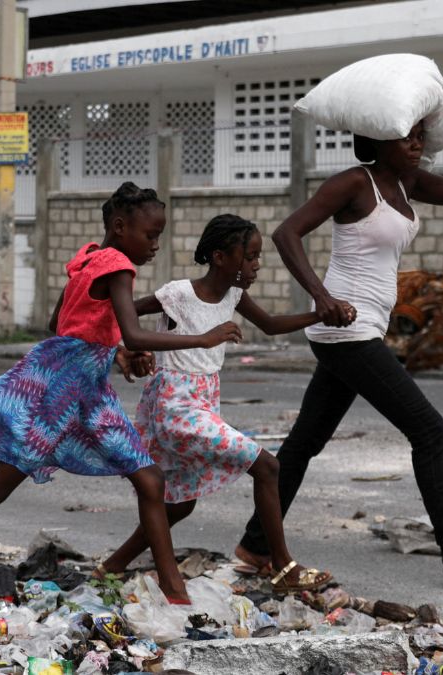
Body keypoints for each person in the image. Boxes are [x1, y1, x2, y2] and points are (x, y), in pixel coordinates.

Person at [0, 182, 242, 604]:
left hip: (73, 388)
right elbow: (132, 329)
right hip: (63, 395)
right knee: (126, 480)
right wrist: (202, 339)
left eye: (159, 235)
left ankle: (172, 589)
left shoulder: (88, 258)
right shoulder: (116, 265)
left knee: (134, 480)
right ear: (121, 227)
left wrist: (117, 356)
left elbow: (63, 323)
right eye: (150, 234)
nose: (156, 244)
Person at [235, 88, 443, 587]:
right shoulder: (353, 183)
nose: (414, 142)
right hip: (346, 329)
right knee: (428, 429)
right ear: (376, 140)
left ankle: (255, 546)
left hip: (357, 330)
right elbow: (286, 233)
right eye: (402, 135)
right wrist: (320, 296)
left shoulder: (408, 185)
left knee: (303, 443)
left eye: (417, 134)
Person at [94, 214, 345, 593]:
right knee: (267, 466)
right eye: (250, 257)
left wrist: (321, 313)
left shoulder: (234, 295)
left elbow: (273, 325)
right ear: (220, 257)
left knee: (180, 505)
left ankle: (111, 565)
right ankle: (283, 568)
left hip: (204, 403)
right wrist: (126, 348)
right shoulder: (177, 293)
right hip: (174, 406)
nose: (256, 265)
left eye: (258, 257)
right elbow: (122, 313)